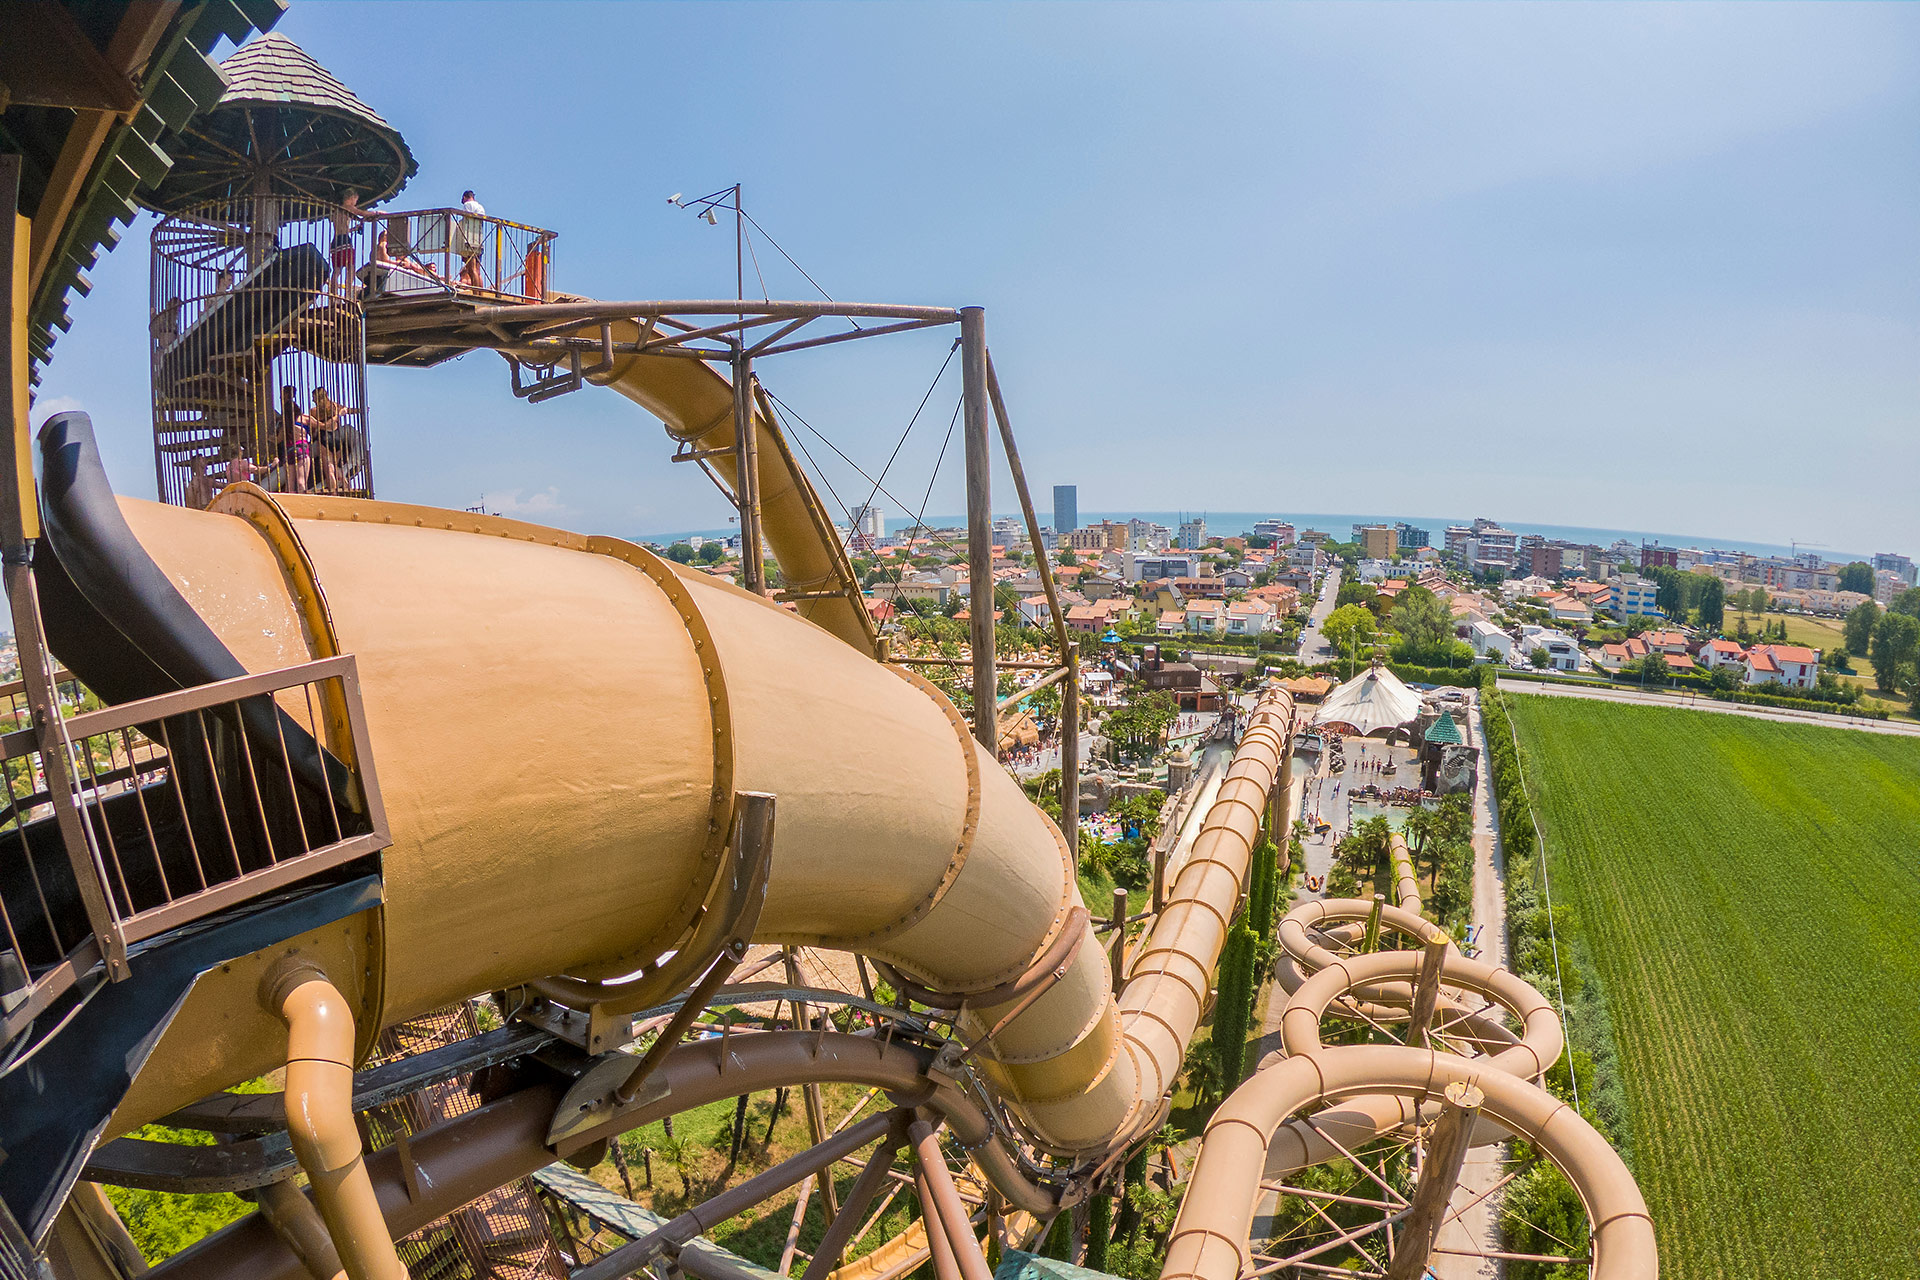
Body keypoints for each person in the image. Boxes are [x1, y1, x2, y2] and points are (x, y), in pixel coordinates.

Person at [328, 190, 363, 294]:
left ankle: (333, 295)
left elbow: (341, 228)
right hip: (344, 240)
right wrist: (377, 213)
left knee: (337, 269)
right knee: (350, 267)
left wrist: (353, 229)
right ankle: (348, 294)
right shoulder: (348, 207)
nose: (355, 203)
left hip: (335, 241)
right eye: (355, 200)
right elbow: (363, 213)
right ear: (352, 198)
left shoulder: (336, 211)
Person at [457, 189, 487, 289]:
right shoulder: (480, 207)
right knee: (478, 270)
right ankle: (481, 292)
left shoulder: (467, 205)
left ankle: (475, 291)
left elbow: (466, 219)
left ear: (465, 197)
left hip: (469, 239)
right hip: (479, 238)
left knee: (471, 268)